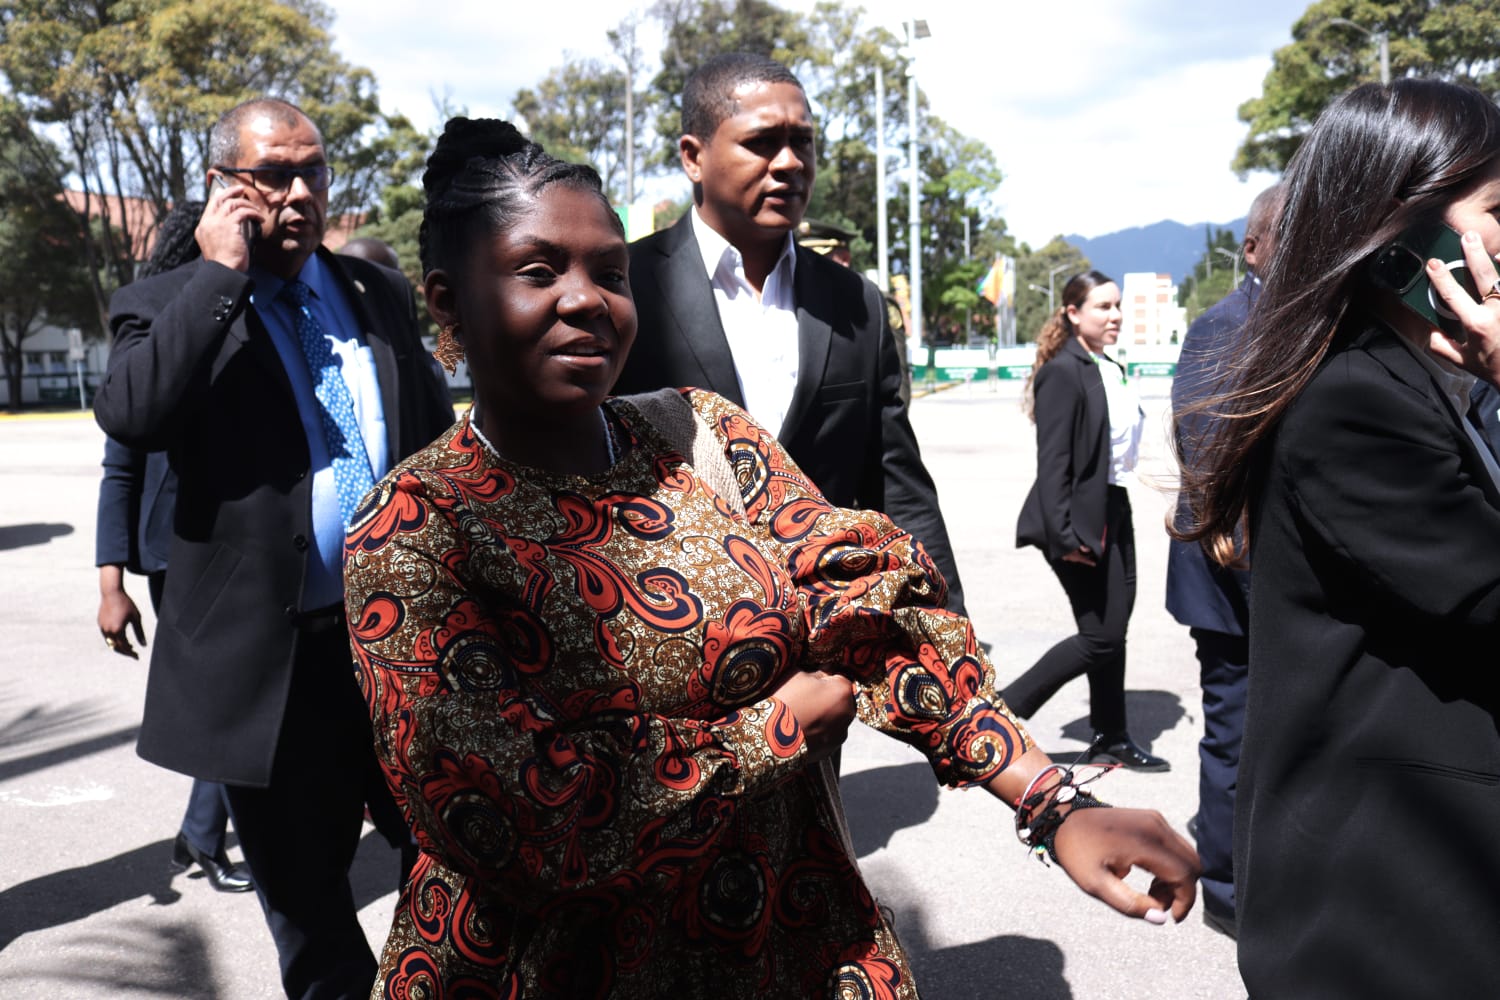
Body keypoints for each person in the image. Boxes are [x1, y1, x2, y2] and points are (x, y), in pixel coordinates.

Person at [343, 115, 1199, 999]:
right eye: (538, 270)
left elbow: (872, 621)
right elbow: (517, 817)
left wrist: (1051, 800)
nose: (587, 299)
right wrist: (778, 728)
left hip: (785, 942)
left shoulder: (701, 436)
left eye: (611, 273)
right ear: (446, 301)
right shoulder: (415, 526)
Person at [93, 97, 452, 999]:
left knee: (453, 859)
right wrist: (220, 273)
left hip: (398, 649)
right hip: (272, 669)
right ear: (223, 186)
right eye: (272, 175)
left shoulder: (376, 293)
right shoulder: (169, 303)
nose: (297, 193)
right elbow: (134, 416)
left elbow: (431, 442)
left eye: (311, 172)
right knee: (312, 913)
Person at [1177, 79, 1500, 997]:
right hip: (1388, 906)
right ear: (1408, 230)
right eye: (1499, 211)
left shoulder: (1419, 379)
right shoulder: (1355, 401)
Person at [614, 52, 967, 614]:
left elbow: (898, 485)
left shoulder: (857, 304)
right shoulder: (624, 290)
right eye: (761, 143)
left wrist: (950, 628)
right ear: (693, 157)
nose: (789, 163)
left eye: (802, 142)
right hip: (672, 630)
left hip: (834, 632)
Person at [95, 199, 252, 895]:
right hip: (174, 552)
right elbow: (120, 468)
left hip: (249, 546)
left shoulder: (252, 323)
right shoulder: (154, 334)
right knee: (228, 697)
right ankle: (204, 836)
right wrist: (110, 585)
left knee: (237, 693)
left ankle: (200, 832)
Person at [1164, 183, 1283, 938]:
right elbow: (1207, 448)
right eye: (1290, 234)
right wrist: (1243, 553)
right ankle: (1227, 888)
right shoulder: (1224, 325)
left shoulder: (1304, 316)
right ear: (1253, 248)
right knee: (1234, 733)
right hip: (1232, 573)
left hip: (1278, 573)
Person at [1010, 271, 1167, 772]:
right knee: (1102, 635)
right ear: (1073, 313)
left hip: (1113, 507)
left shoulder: (1108, 365)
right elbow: (1052, 461)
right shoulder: (1063, 371)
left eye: (1117, 305)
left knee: (1111, 630)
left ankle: (1112, 734)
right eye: (1103, 306)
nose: (1115, 315)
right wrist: (1065, 536)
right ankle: (1001, 709)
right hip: (1077, 519)